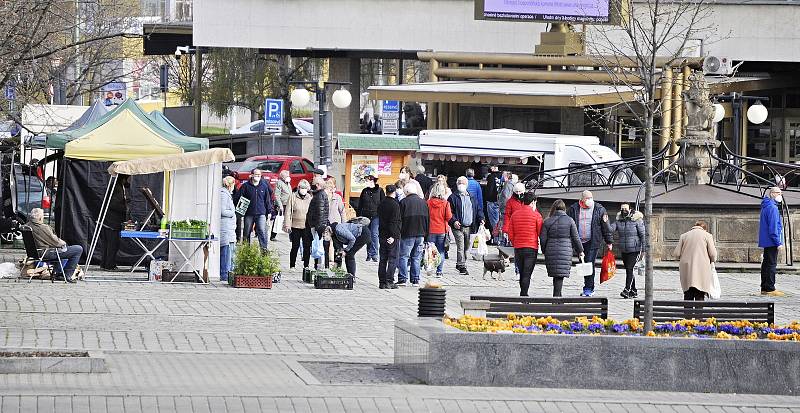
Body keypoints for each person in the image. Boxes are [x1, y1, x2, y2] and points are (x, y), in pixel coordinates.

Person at [567, 190, 613, 297]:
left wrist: (609, 241)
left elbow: (605, 226)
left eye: (591, 197)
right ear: (582, 199)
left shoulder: (599, 209)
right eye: (587, 198)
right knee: (584, 264)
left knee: (589, 264)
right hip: (579, 242)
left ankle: (589, 288)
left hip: (592, 242)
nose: (589, 200)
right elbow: (568, 223)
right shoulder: (574, 209)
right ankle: (587, 286)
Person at [540, 200, 584, 297]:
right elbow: (576, 238)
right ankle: (557, 298)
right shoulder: (570, 220)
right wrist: (580, 251)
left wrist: (545, 250)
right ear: (564, 209)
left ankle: (557, 297)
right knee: (559, 275)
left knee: (556, 275)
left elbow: (543, 239)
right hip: (565, 251)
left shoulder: (547, 221)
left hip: (551, 250)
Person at [28, 208, 83, 283]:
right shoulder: (43, 228)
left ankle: (57, 273)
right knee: (78, 249)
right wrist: (63, 243)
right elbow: (56, 242)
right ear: (40, 217)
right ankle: (66, 275)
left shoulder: (28, 226)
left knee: (63, 250)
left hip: (34, 253)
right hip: (45, 253)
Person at [507, 191, 543, 296]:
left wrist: (515, 243)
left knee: (521, 272)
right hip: (531, 247)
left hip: (518, 247)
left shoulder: (515, 215)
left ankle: (523, 293)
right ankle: (524, 294)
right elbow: (540, 232)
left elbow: (510, 233)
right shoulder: (537, 215)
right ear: (533, 202)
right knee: (527, 273)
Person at [448, 176, 484, 275]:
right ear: (456, 184)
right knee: (460, 245)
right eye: (459, 183)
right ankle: (462, 265)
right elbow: (449, 212)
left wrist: (481, 218)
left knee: (466, 246)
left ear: (466, 185)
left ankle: (461, 263)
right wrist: (454, 221)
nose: (461, 185)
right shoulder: (453, 197)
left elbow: (478, 209)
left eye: (463, 183)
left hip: (469, 226)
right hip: (458, 227)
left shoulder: (471, 197)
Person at [673, 221, 717, 301]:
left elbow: (676, 253)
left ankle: (687, 313)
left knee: (688, 293)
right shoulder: (707, 236)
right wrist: (712, 261)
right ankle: (698, 313)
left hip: (686, 268)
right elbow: (713, 254)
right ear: (705, 229)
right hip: (702, 269)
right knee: (700, 293)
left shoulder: (684, 236)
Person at [397, 182, 429, 287]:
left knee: (404, 256)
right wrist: (426, 235)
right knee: (416, 257)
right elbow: (427, 220)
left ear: (406, 192)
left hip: (407, 234)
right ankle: (415, 279)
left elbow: (399, 219)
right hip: (421, 234)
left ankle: (402, 279)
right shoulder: (423, 202)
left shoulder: (403, 202)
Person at [611, 203, 645, 298]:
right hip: (624, 249)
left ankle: (627, 290)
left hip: (635, 249)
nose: (623, 210)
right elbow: (611, 229)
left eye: (625, 208)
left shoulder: (637, 219)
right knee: (629, 270)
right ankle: (634, 291)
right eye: (622, 209)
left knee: (630, 269)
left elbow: (643, 235)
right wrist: (605, 223)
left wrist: (644, 250)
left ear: (630, 209)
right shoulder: (619, 220)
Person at [235, 168, 273, 250]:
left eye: (259, 175)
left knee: (262, 232)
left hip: (261, 213)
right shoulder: (245, 186)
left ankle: (264, 252)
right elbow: (238, 198)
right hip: (249, 213)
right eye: (256, 175)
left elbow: (267, 199)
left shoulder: (264, 186)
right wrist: (239, 211)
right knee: (246, 232)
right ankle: (246, 251)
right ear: (252, 175)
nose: (258, 176)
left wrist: (269, 211)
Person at [759, 187, 785, 296]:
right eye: (778, 193)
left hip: (766, 240)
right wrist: (778, 242)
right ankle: (770, 288)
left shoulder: (766, 205)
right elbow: (773, 228)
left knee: (766, 264)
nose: (780, 195)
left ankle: (765, 287)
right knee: (771, 264)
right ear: (772, 194)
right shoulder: (772, 208)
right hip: (772, 241)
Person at [101, 175, 129, 270]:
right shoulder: (117, 187)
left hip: (107, 220)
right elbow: (114, 204)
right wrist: (125, 208)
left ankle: (104, 264)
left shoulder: (116, 186)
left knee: (107, 244)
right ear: (124, 178)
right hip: (112, 221)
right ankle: (109, 265)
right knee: (112, 244)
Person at [284, 180, 313, 270]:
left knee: (307, 246)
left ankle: (306, 265)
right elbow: (288, 211)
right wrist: (287, 225)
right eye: (302, 188)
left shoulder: (310, 197)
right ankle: (292, 265)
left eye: (305, 188)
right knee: (295, 246)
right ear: (299, 188)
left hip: (306, 226)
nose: (303, 190)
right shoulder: (293, 197)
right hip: (295, 225)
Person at [377, 184, 401, 289]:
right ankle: (389, 281)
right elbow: (394, 222)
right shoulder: (395, 205)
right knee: (392, 258)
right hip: (391, 235)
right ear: (394, 192)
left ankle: (382, 282)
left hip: (382, 234)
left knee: (383, 259)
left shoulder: (382, 203)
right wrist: (393, 236)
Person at [427, 182, 453, 277]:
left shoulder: (428, 203)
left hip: (430, 230)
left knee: (430, 250)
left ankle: (430, 268)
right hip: (441, 229)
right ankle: (439, 271)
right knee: (441, 251)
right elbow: (448, 217)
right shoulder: (446, 203)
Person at [358, 175, 384, 262]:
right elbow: (360, 204)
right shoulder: (364, 191)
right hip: (365, 216)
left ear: (372, 181)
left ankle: (374, 254)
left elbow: (383, 203)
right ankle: (369, 254)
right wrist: (359, 216)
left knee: (374, 234)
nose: (366, 182)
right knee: (367, 234)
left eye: (367, 180)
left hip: (376, 215)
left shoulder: (380, 191)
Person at [325, 177, 345, 269]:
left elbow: (342, 211)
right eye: (328, 187)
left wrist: (343, 224)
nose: (330, 189)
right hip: (326, 225)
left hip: (337, 225)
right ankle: (327, 264)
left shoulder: (337, 198)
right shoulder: (323, 197)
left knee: (338, 246)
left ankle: (338, 265)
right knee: (326, 244)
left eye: (331, 187)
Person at [219, 176, 237, 282]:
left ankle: (229, 273)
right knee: (226, 252)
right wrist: (232, 213)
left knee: (230, 251)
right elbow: (222, 211)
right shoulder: (224, 195)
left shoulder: (227, 194)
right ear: (230, 185)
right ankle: (224, 274)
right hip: (225, 227)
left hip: (229, 227)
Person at [306, 175, 330, 243]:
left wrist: (318, 227)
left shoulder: (320, 195)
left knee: (317, 246)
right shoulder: (320, 194)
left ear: (317, 184)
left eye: (313, 183)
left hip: (317, 225)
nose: (312, 185)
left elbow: (320, 212)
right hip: (317, 224)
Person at [271, 170, 293, 241]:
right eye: (287, 176)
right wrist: (280, 206)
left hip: (288, 203)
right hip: (283, 204)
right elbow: (277, 195)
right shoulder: (279, 183)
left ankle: (291, 236)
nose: (288, 177)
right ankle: (273, 235)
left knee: (289, 219)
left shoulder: (287, 183)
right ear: (283, 177)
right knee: (278, 220)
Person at [484, 165, 502, 244]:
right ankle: (497, 239)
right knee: (498, 221)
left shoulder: (491, 177)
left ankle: (495, 239)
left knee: (493, 221)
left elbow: (490, 190)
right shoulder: (501, 176)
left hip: (492, 201)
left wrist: (486, 198)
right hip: (499, 201)